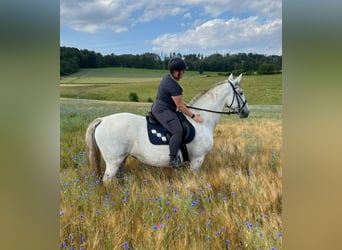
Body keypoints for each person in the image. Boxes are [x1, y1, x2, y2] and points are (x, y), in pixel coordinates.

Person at [151, 57, 203, 167]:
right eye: (182, 71)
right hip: (163, 110)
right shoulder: (174, 86)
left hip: (160, 106)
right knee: (178, 131)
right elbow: (179, 106)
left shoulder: (168, 78)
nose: (183, 73)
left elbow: (179, 102)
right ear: (175, 71)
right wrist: (194, 116)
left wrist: (185, 105)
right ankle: (173, 159)